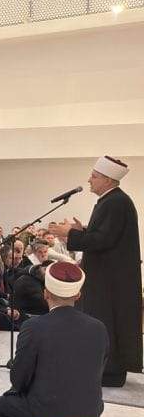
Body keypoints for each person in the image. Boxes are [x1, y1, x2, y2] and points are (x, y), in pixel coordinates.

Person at [50, 156, 142, 387]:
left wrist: (70, 234)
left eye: (94, 176)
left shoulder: (115, 202)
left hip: (109, 281)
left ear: (108, 180)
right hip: (108, 276)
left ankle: (109, 372)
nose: (89, 180)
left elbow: (103, 240)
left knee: (106, 322)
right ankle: (104, 370)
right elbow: (104, 235)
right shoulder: (111, 200)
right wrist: (82, 230)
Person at [0, 263, 108, 417]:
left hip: (47, 413)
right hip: (89, 415)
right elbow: (97, 371)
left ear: (45, 293)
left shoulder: (33, 326)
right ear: (78, 295)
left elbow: (19, 379)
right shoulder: (99, 328)